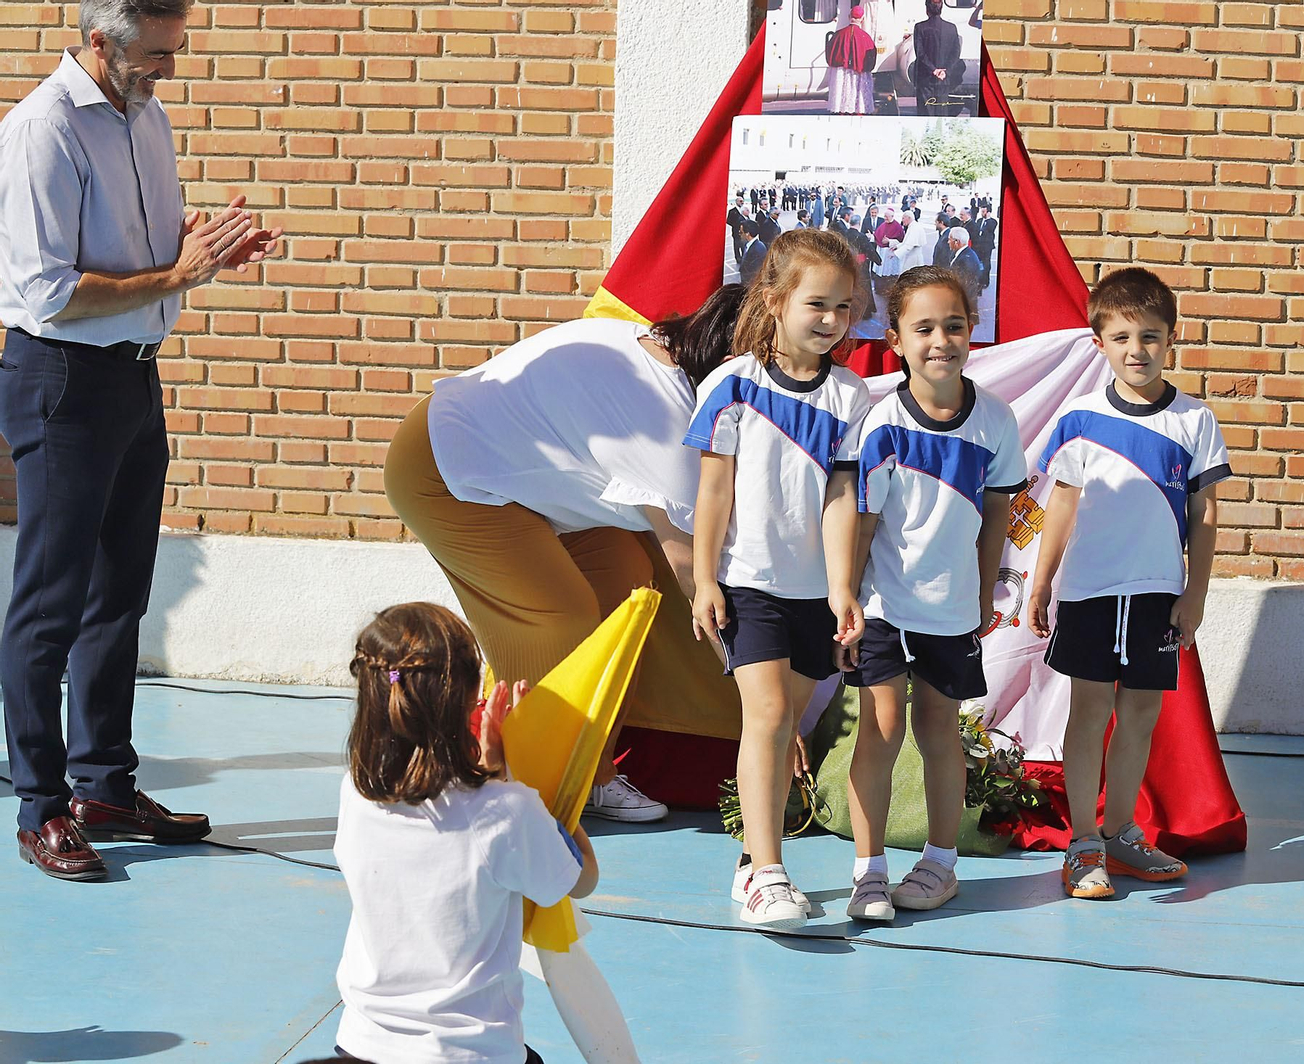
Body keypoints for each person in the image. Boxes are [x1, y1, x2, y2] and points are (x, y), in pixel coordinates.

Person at [0, 0, 281, 881]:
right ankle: (43, 809)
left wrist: (202, 250)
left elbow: (143, 253)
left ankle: (105, 785)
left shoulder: (146, 116)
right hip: (62, 385)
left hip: (131, 377)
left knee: (119, 593)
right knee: (49, 604)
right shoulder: (42, 132)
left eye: (176, 47)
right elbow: (50, 293)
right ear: (100, 42)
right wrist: (178, 273)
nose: (171, 66)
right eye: (157, 52)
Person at [384, 286, 750, 825]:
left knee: (630, 589)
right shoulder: (664, 421)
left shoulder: (665, 353)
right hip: (442, 471)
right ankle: (519, 786)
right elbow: (699, 578)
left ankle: (591, 771)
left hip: (525, 487)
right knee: (557, 617)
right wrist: (766, 708)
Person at [685, 229, 871, 930]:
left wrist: (841, 587)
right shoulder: (733, 384)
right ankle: (768, 874)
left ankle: (749, 861)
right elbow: (712, 491)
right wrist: (705, 579)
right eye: (817, 303)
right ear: (775, 298)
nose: (831, 320)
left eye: (844, 307)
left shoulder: (852, 399)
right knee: (763, 716)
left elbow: (839, 499)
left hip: (811, 597)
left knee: (783, 723)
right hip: (747, 584)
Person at [1025, 267, 1231, 899]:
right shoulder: (1079, 419)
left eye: (1150, 336)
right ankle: (1083, 843)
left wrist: (1194, 593)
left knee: (1139, 716)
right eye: (1121, 338)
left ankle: (1121, 834)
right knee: (1088, 714)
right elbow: (1059, 505)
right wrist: (1040, 586)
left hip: (1158, 597)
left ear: (1172, 338)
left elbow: (1206, 515)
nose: (1136, 350)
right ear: (1099, 343)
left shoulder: (1195, 421)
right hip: (1090, 591)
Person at [834, 267, 1024, 921]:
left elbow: (997, 514)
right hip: (886, 608)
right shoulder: (881, 422)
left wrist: (980, 593)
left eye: (953, 325)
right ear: (894, 338)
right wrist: (848, 596)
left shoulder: (996, 421)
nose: (940, 340)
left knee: (941, 732)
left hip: (950, 613)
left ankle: (940, 865)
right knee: (880, 732)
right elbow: (862, 520)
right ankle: (869, 874)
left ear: (972, 331)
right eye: (923, 328)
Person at [333, 602, 599, 1064]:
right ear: (474, 692)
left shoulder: (358, 792)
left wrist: (492, 777)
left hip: (362, 1041)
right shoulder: (502, 811)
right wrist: (522, 774)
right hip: (467, 1050)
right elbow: (581, 880)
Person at [912, 0, 963, 118]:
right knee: (941, 115)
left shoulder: (920, 27)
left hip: (925, 79)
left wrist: (933, 69)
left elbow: (920, 53)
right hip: (943, 79)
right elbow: (956, 53)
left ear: (927, 9)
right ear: (941, 8)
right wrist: (946, 71)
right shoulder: (951, 28)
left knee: (926, 115)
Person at [825, 6, 877, 116]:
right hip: (859, 74)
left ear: (849, 17)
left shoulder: (838, 35)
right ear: (862, 19)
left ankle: (842, 112)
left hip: (841, 73)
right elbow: (871, 59)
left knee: (842, 99)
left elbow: (830, 54)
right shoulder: (866, 37)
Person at [947, 226, 983, 304]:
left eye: (949, 239)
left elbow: (962, 285)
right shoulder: (966, 253)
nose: (948, 242)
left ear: (957, 242)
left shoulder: (965, 260)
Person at [971, 205, 998, 289]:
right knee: (979, 264)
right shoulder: (979, 221)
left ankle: (985, 281)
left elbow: (989, 229)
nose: (982, 213)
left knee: (986, 264)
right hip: (978, 246)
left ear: (988, 212)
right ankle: (979, 280)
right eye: (981, 211)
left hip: (987, 247)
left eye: (983, 212)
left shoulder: (992, 222)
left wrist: (987, 218)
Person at [738, 219, 768, 286]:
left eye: (741, 232)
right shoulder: (748, 245)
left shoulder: (758, 249)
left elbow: (755, 273)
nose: (739, 234)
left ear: (747, 234)